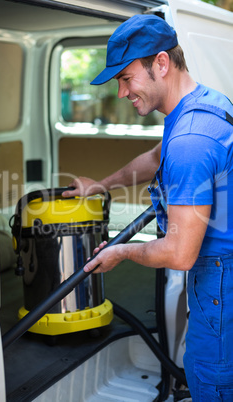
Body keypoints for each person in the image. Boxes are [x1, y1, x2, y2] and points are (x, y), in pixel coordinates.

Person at [62, 14, 233, 400]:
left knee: (212, 379)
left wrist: (121, 252)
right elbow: (157, 157)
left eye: (126, 78)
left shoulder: (191, 140)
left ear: (161, 63)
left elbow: (179, 252)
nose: (122, 93)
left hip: (221, 281)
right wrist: (100, 186)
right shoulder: (202, 104)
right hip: (221, 274)